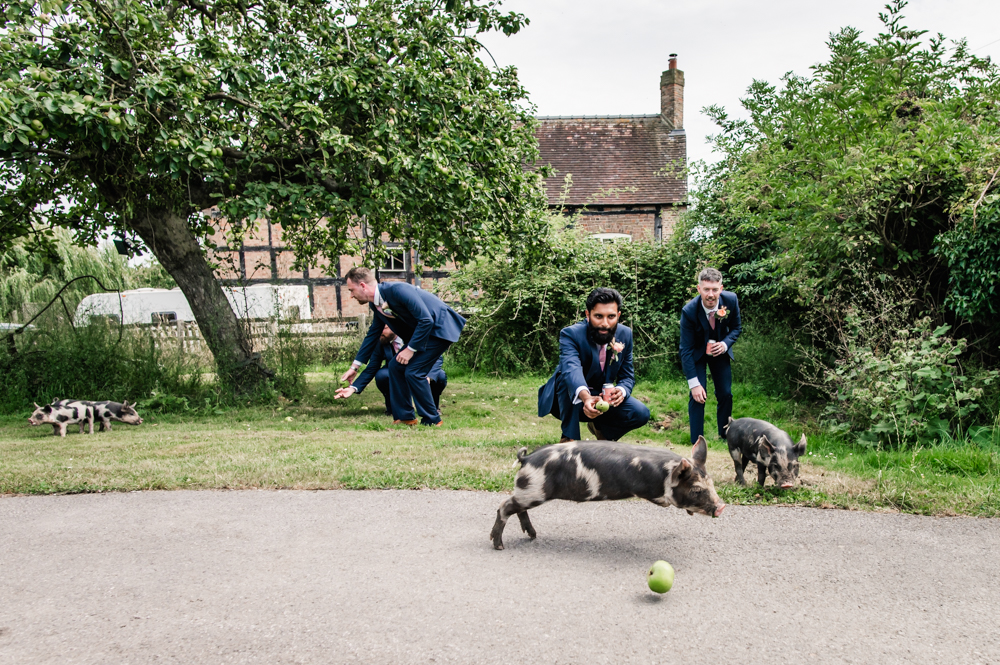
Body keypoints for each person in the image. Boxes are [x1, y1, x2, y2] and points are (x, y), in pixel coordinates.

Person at [338, 267, 465, 426]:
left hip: (440, 328)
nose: (351, 295)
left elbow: (426, 320)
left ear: (363, 285)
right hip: (425, 332)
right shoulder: (375, 305)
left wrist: (410, 350)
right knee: (395, 367)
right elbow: (372, 335)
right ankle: (405, 417)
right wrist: (354, 367)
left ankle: (432, 420)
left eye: (351, 290)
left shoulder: (398, 290)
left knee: (414, 372)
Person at [537, 288, 650, 442]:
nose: (605, 324)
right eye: (598, 316)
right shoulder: (570, 334)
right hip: (567, 401)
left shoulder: (625, 334)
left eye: (611, 317)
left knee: (641, 413)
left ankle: (603, 432)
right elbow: (571, 369)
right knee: (564, 377)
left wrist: (621, 391)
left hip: (603, 399)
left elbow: (628, 376)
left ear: (618, 316)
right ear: (587, 315)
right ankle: (569, 437)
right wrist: (585, 397)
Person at [679, 268, 742, 443]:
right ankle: (697, 441)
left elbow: (737, 328)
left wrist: (725, 344)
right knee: (698, 395)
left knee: (725, 393)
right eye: (706, 289)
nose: (711, 294)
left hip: (719, 351)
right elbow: (685, 349)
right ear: (699, 289)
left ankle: (724, 434)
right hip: (697, 353)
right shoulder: (689, 311)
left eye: (715, 290)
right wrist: (694, 384)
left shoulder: (731, 300)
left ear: (721, 288)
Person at [335, 325, 447, 415]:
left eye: (384, 328)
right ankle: (393, 408)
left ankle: (432, 408)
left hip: (418, 370)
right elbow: (372, 367)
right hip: (395, 372)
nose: (380, 333)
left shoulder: (414, 336)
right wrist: (353, 388)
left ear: (394, 327)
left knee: (440, 375)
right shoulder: (381, 341)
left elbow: (436, 358)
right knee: (382, 375)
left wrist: (428, 377)